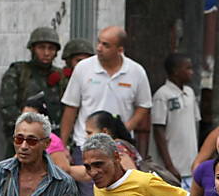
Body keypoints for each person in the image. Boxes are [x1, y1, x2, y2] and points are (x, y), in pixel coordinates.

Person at [60, 26, 152, 155]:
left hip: (119, 148)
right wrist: (62, 146)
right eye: (98, 42)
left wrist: (126, 127)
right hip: (84, 145)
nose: (99, 48)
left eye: (106, 45)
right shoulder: (83, 68)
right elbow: (71, 106)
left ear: (120, 50)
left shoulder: (136, 72)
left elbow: (144, 105)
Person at [0, 27, 63, 153]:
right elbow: (7, 108)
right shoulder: (18, 72)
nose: (46, 53)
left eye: (51, 48)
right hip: (22, 142)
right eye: (41, 47)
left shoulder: (60, 77)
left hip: (53, 143)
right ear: (32, 49)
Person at [152, 53, 200, 190]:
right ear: (176, 71)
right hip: (173, 166)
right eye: (188, 68)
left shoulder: (190, 93)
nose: (192, 72)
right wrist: (169, 165)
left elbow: (195, 123)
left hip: (190, 164)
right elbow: (158, 129)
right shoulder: (162, 95)